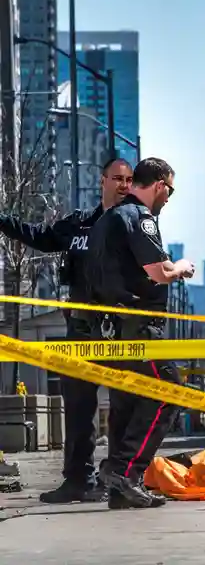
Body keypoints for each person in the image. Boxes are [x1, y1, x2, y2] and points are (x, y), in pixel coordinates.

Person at [0, 157, 133, 504]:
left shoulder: (134, 223)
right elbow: (41, 238)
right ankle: (78, 480)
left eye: (129, 180)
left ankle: (120, 479)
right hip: (81, 329)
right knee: (78, 406)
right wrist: (3, 221)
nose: (123, 185)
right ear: (103, 181)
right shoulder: (79, 224)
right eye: (117, 178)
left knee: (124, 406)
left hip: (121, 330)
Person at [85, 157, 195, 510]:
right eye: (169, 191)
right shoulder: (139, 217)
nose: (168, 199)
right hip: (139, 329)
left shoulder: (107, 220)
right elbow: (158, 273)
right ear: (160, 185)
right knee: (167, 390)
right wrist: (181, 267)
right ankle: (125, 471)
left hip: (111, 330)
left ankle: (120, 489)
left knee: (127, 403)